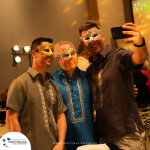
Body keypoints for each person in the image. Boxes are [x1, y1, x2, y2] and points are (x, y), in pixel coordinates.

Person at [78, 20, 148, 150]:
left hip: (127, 133)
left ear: (103, 36)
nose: (92, 40)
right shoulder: (90, 70)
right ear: (83, 43)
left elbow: (139, 58)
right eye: (87, 38)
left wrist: (139, 42)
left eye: (95, 35)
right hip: (104, 135)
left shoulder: (117, 56)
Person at [6, 37, 67, 150]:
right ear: (34, 54)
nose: (50, 54)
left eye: (52, 51)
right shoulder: (20, 83)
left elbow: (60, 117)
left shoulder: (54, 86)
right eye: (46, 50)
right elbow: (11, 119)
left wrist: (61, 143)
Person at [52, 41, 96, 150]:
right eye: (66, 55)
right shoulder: (51, 81)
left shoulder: (88, 77)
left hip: (89, 138)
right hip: (63, 142)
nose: (71, 57)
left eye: (73, 53)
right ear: (58, 59)